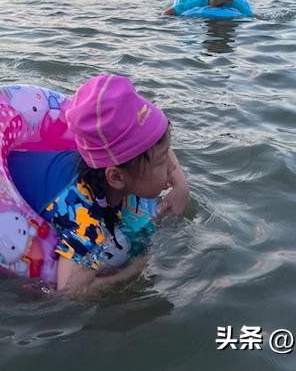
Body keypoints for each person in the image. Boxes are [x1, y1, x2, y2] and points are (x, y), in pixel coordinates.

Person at [38, 74, 189, 294]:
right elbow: (70, 293)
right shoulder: (85, 220)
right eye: (162, 162)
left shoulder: (128, 164)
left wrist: (180, 185)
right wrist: (133, 271)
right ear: (117, 178)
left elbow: (159, 145)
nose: (172, 168)